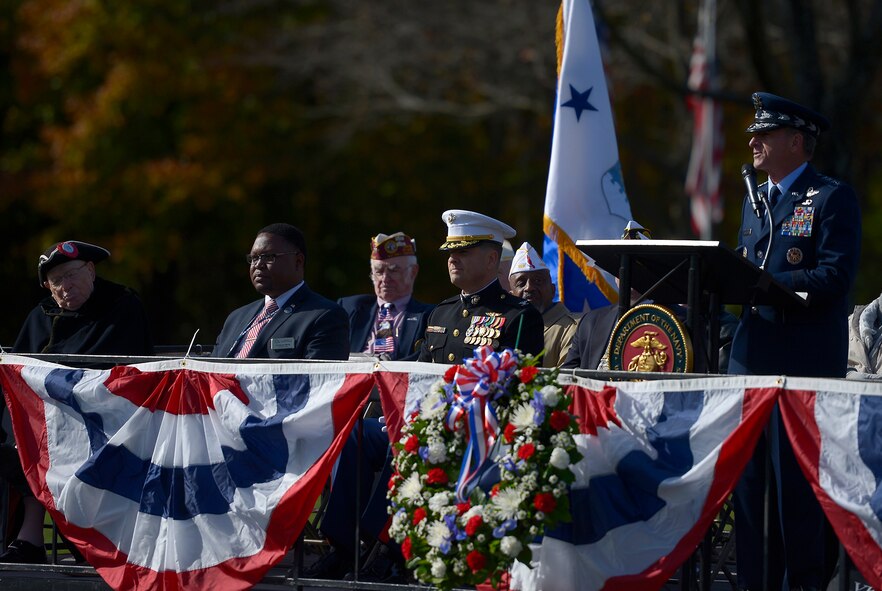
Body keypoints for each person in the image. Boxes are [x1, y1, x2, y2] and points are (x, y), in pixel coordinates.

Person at [729, 92, 861, 591]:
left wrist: (773, 281)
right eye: (752, 134)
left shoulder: (830, 197)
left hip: (801, 366)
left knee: (794, 496)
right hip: (749, 364)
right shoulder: (753, 198)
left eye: (764, 134)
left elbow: (835, 274)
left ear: (797, 142)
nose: (753, 141)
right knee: (749, 489)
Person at [1, 240, 153, 564]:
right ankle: (29, 535)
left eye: (72, 275)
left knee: (46, 436)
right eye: (56, 281)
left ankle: (45, 537)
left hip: (105, 413)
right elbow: (17, 371)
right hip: (47, 413)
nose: (65, 286)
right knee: (19, 434)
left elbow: (124, 374)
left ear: (91, 271)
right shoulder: (40, 315)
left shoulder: (120, 305)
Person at [419, 209, 544, 363]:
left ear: (491, 259)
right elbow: (421, 376)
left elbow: (518, 382)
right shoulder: (440, 313)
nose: (452, 259)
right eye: (451, 252)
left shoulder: (519, 316)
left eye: (463, 252)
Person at [214, 223, 350, 360]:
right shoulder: (236, 318)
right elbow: (209, 373)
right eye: (254, 258)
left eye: (268, 257)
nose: (258, 264)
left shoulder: (325, 316)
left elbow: (319, 379)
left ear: (298, 261)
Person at [337, 232, 434, 361]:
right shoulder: (349, 308)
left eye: (394, 270)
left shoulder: (429, 316)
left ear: (413, 272)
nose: (385, 279)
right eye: (379, 271)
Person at [508, 241, 579, 367]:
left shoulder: (573, 328)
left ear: (552, 290)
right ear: (511, 295)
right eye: (521, 283)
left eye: (538, 280)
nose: (529, 288)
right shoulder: (507, 327)